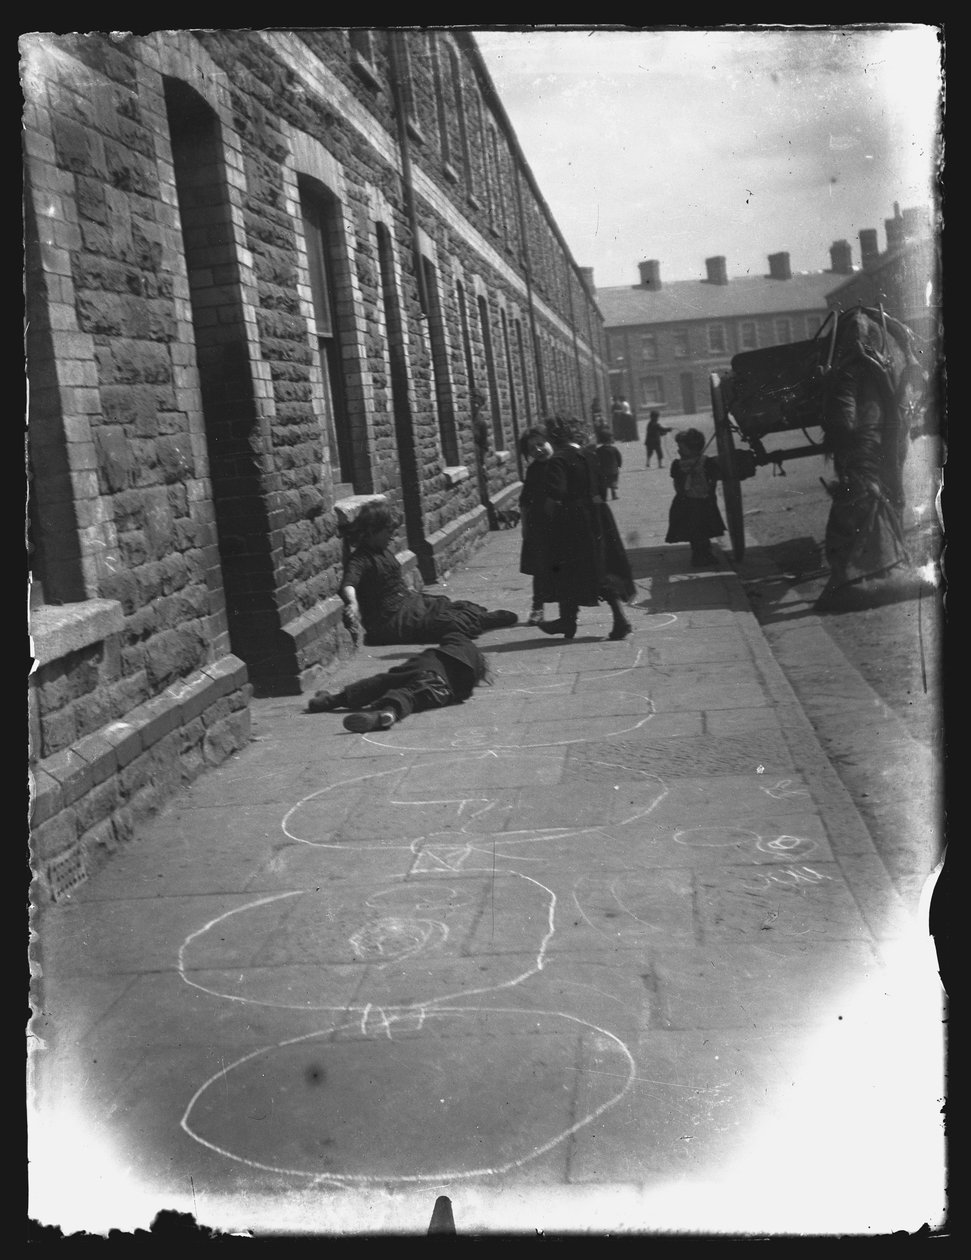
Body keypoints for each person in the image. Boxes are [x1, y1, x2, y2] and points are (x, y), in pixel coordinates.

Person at [339, 501, 517, 645]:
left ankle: (482, 618)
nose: (391, 537)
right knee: (444, 622)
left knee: (447, 605)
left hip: (407, 603)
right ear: (372, 531)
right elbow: (349, 583)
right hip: (389, 619)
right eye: (388, 532)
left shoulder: (382, 550)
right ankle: (482, 621)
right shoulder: (360, 558)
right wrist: (353, 604)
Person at [535, 415, 635, 640]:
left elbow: (556, 493)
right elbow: (602, 484)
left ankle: (568, 621)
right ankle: (618, 617)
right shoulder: (590, 454)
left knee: (565, 567)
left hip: (571, 520)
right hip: (598, 515)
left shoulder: (558, 460)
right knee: (602, 566)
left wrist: (546, 517)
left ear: (553, 436)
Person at [306, 632, 490, 732]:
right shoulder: (467, 675)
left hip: (425, 673)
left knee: (379, 684)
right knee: (409, 697)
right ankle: (388, 714)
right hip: (442, 691)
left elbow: (386, 680)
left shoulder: (435, 656)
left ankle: (332, 700)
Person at [664, 428, 726, 566]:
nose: (679, 451)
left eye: (681, 448)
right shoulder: (705, 462)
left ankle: (701, 555)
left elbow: (678, 484)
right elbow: (713, 481)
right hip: (697, 502)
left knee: (697, 531)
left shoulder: (683, 464)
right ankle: (702, 555)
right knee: (699, 530)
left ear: (693, 449)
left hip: (691, 502)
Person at [518, 426, 557, 625]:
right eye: (532, 449)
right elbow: (525, 501)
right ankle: (537, 608)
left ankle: (568, 609)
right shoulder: (534, 470)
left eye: (541, 444)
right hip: (540, 526)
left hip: (561, 524)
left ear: (550, 441)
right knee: (540, 569)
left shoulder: (560, 463)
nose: (538, 450)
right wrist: (525, 526)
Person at [593, 426, 623, 500]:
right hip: (613, 470)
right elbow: (619, 458)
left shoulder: (598, 450)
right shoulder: (614, 449)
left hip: (603, 470)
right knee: (613, 482)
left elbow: (596, 460)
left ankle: (604, 496)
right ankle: (614, 494)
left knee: (604, 483)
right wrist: (619, 465)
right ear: (609, 439)